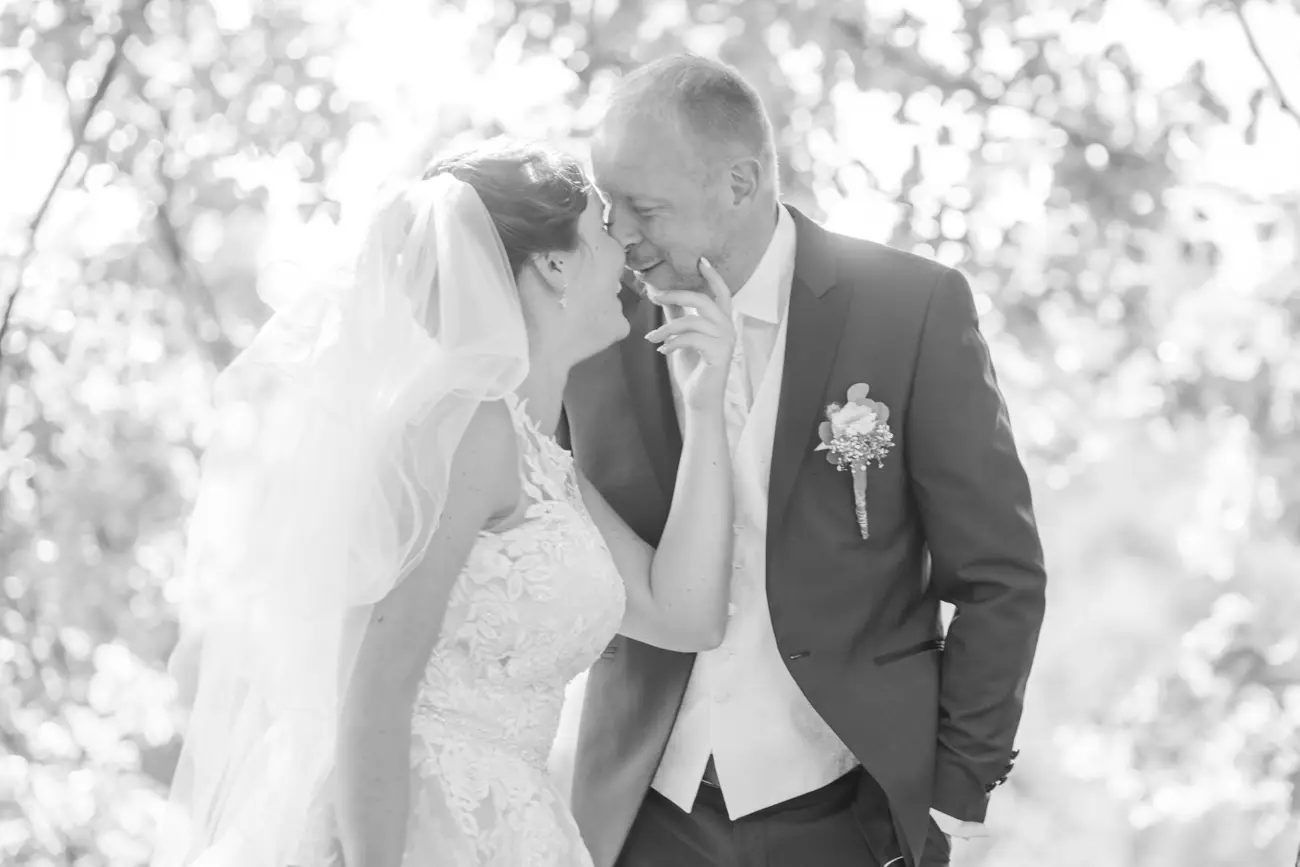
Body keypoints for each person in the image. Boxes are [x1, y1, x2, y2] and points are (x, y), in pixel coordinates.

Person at [156, 141, 739, 867]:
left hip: (514, 827)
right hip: (415, 822)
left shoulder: (543, 462)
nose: (624, 246)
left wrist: (706, 405)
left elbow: (685, 614)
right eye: (601, 228)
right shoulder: (466, 429)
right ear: (554, 265)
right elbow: (373, 689)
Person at [563, 55, 1048, 867]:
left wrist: (952, 789)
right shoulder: (590, 322)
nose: (620, 234)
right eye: (608, 205)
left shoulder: (909, 308)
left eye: (645, 208)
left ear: (741, 182)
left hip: (850, 811)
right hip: (639, 812)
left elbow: (999, 574)